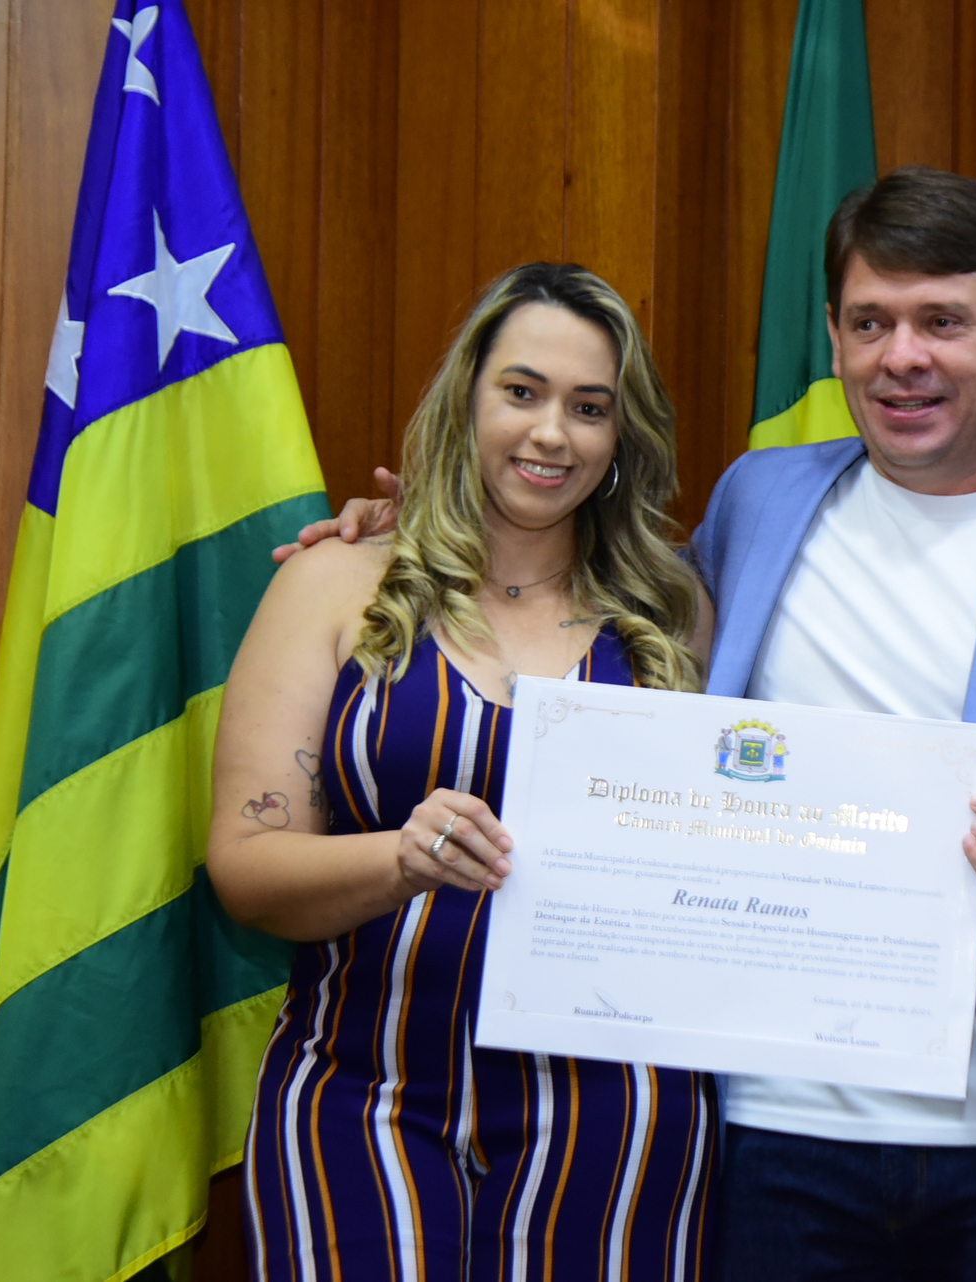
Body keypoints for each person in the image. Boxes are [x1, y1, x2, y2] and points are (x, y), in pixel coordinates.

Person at [291, 168, 976, 1278]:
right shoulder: (756, 500)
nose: (901, 357)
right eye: (869, 322)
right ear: (832, 336)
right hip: (768, 1133)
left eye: (942, 322)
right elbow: (582, 590)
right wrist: (415, 525)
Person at [205, 262, 718, 1281]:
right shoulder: (335, 583)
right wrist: (400, 859)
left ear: (622, 438)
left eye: (589, 408)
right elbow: (245, 867)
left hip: (615, 1109)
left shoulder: (672, 617)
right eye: (521, 392)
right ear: (467, 401)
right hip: (359, 1090)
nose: (550, 433)